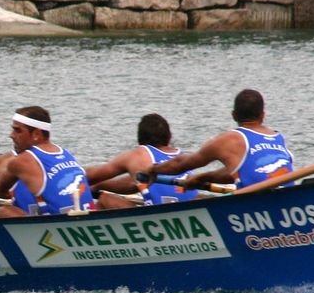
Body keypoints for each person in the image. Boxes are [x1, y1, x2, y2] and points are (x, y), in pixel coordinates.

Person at [150, 89, 296, 191]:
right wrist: (203, 178)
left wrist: (153, 169)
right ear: (263, 115)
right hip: (289, 200)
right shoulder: (278, 138)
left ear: (233, 115)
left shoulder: (229, 140)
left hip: (256, 203)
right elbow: (242, 172)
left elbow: (181, 164)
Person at [0, 106, 92, 216]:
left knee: (6, 211)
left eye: (17, 130)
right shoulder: (65, 153)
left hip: (54, 223)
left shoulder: (21, 161)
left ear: (36, 134)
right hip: (80, 215)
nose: (11, 135)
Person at [82, 113, 202, 210]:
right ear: (169, 137)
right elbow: (132, 184)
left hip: (160, 216)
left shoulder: (139, 154)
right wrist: (101, 186)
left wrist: (86, 181)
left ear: (140, 139)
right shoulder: (182, 157)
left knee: (105, 199)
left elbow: (92, 176)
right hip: (189, 209)